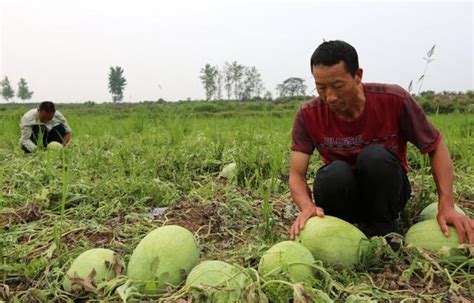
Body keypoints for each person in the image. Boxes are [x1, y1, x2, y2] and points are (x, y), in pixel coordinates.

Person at [289, 40, 473, 245]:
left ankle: (384, 227)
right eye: (321, 87)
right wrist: (307, 206)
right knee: (334, 173)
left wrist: (446, 204)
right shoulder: (308, 114)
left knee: (374, 156)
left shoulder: (394, 99)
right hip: (344, 196)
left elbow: (436, 146)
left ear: (358, 76)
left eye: (338, 86)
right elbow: (296, 174)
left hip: (387, 193)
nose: (330, 97)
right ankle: (344, 231)